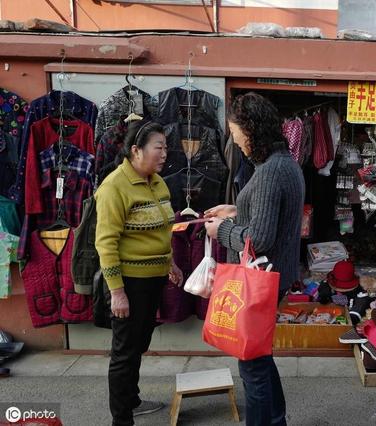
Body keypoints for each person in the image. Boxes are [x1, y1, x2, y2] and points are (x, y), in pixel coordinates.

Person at [204, 92, 304, 426]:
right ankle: (277, 420)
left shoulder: (270, 171)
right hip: (275, 276)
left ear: (252, 131)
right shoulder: (281, 163)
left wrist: (223, 229)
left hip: (259, 280)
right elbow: (269, 215)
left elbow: (259, 239)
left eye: (236, 134)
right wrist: (237, 210)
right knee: (259, 357)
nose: (235, 141)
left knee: (252, 364)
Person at [95, 120, 183, 426]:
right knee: (124, 352)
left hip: (154, 279)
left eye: (165, 148)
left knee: (140, 343)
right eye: (158, 147)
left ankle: (132, 400)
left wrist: (170, 262)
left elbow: (162, 229)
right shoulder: (113, 187)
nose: (164, 154)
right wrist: (117, 292)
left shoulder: (157, 181)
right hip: (129, 283)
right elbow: (105, 243)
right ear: (136, 150)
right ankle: (122, 420)